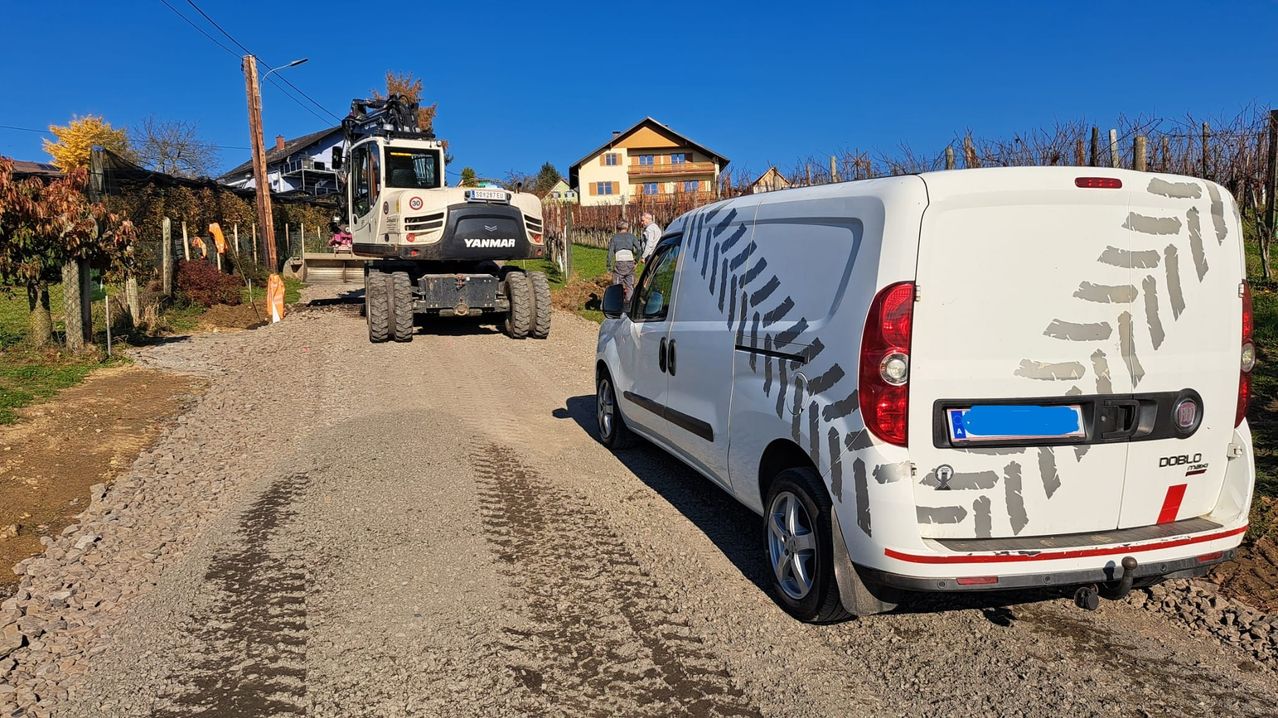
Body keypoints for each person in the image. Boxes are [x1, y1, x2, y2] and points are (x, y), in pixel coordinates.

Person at [606, 220, 642, 301]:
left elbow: (610, 253)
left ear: (618, 228)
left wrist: (609, 266)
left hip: (619, 262)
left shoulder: (615, 238)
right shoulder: (632, 236)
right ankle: (629, 303)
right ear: (627, 227)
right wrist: (636, 260)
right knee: (630, 285)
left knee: (617, 285)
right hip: (630, 261)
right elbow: (639, 249)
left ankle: (618, 303)